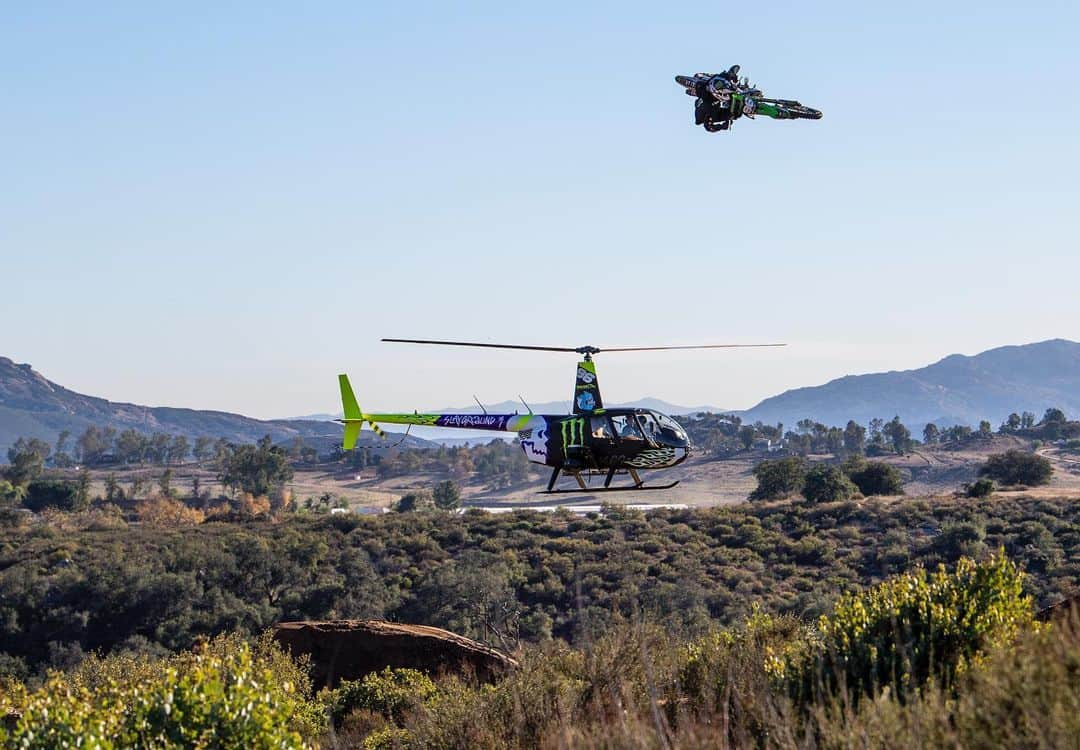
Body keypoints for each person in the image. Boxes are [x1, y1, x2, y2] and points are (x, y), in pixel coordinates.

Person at [692, 65, 743, 132]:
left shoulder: (709, 86)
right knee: (735, 115)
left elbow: (722, 76)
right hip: (712, 113)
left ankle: (730, 78)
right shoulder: (709, 110)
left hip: (707, 97)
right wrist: (722, 126)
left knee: (707, 85)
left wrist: (731, 75)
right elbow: (709, 127)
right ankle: (739, 107)